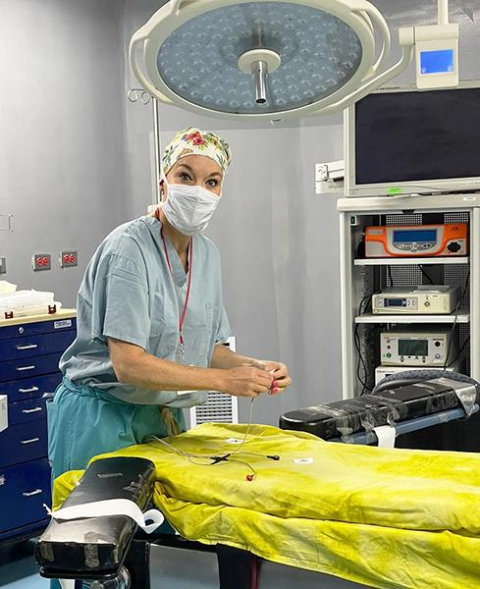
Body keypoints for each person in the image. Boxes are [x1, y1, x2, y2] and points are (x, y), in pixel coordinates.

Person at [47, 127, 292, 483]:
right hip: (101, 417)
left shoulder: (208, 255)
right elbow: (128, 365)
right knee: (102, 532)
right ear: (164, 184)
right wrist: (224, 381)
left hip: (159, 417)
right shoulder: (128, 249)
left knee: (161, 530)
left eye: (212, 182)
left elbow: (202, 348)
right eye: (185, 177)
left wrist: (255, 368)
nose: (198, 191)